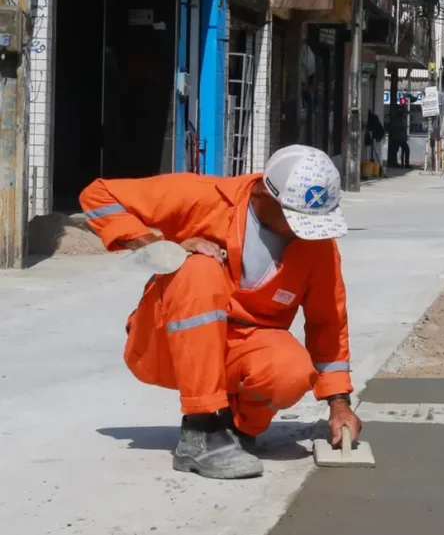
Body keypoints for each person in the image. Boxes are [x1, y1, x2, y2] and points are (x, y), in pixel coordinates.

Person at [78, 145, 363, 480]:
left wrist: (339, 403)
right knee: (199, 269)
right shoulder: (204, 198)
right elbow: (98, 195)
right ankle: (200, 428)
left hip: (240, 349)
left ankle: (235, 430)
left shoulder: (315, 244)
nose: (302, 231)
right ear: (264, 193)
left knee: (292, 370)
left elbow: (328, 322)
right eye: (294, 218)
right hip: (166, 344)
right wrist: (157, 247)